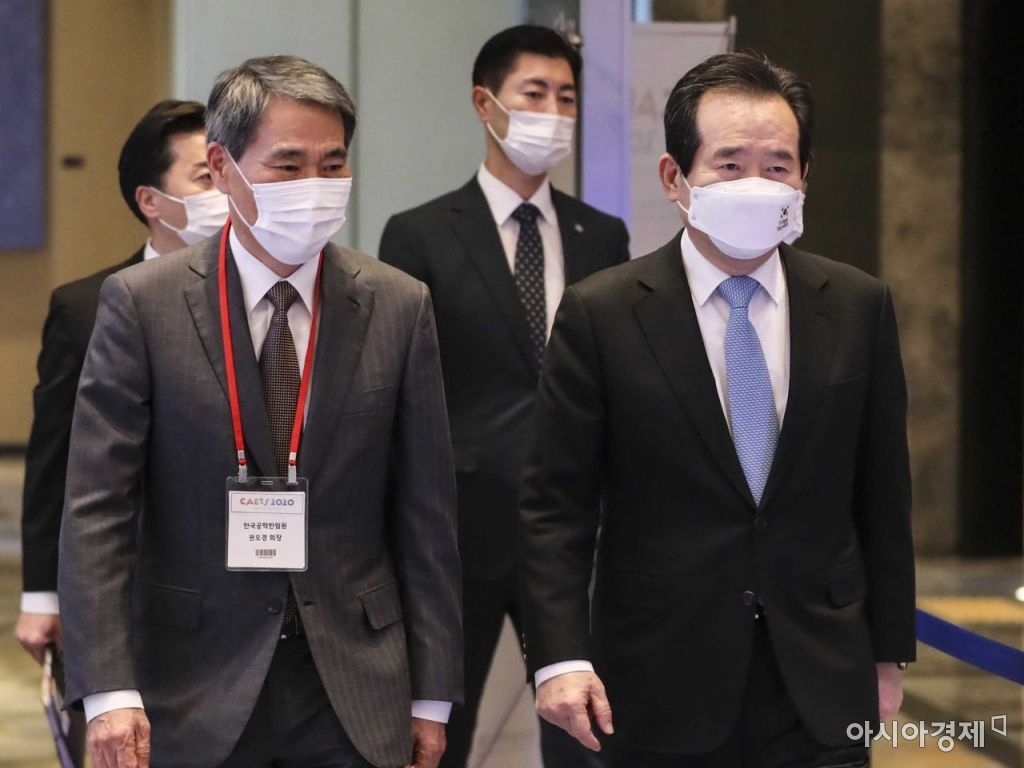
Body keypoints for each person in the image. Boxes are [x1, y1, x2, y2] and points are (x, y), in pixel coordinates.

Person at [58, 56, 461, 768]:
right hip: (193, 678)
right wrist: (109, 690)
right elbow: (99, 508)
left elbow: (426, 512)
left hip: (354, 679)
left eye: (332, 165)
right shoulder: (143, 304)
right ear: (223, 166)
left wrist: (432, 695)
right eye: (289, 165)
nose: (316, 186)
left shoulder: (399, 304)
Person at [519, 51, 915, 767]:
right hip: (657, 678)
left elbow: (882, 494)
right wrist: (560, 658)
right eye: (730, 165)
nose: (755, 185)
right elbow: (556, 507)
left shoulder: (858, 305)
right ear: (675, 177)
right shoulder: (602, 313)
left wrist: (890, 652)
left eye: (777, 166)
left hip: (819, 675)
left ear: (805, 176)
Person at [380, 25, 628, 768]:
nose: (553, 111)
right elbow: (404, 392)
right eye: (535, 93)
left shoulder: (601, 235)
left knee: (587, 735)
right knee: (436, 736)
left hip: (577, 532)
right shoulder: (420, 235)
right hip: (461, 532)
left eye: (567, 97)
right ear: (485, 103)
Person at [16, 98, 220, 766]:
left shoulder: (273, 296)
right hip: (130, 585)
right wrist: (42, 594)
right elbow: (55, 461)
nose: (227, 190)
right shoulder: (87, 305)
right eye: (206, 176)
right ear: (152, 201)